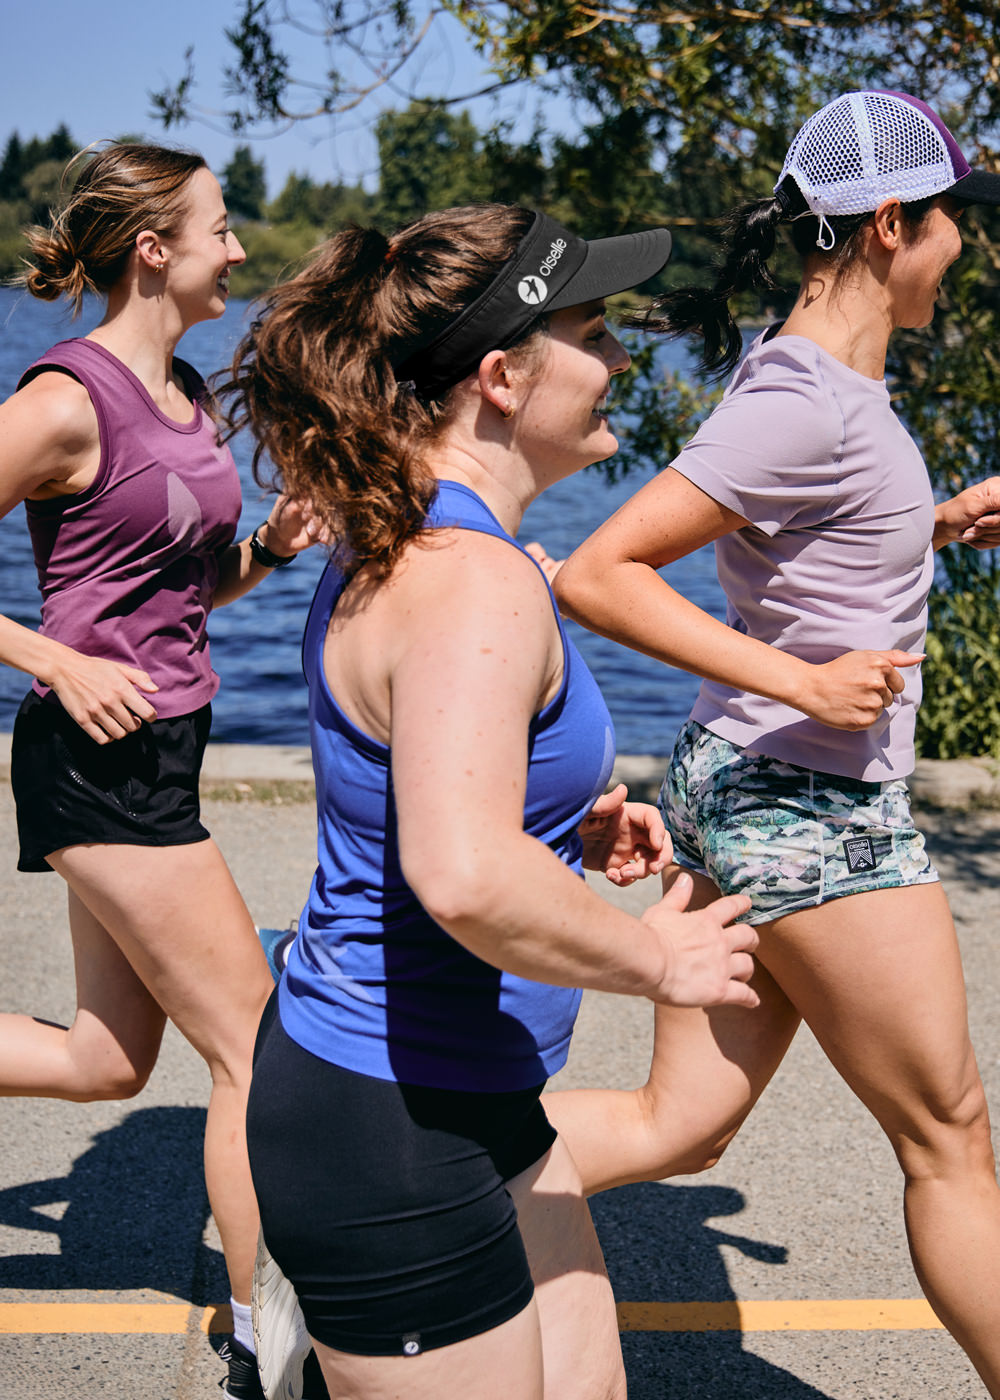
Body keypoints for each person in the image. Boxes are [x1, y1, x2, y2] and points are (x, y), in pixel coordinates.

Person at [223, 203, 761, 1400]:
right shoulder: (470, 580)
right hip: (393, 1130)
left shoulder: (418, 540)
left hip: (469, 1092)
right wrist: (652, 960)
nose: (624, 356)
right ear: (504, 374)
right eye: (595, 328)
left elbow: (427, 787)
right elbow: (460, 872)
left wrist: (559, 817)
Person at [547, 89, 1000, 1394]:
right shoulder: (804, 395)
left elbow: (806, 539)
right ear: (890, 225)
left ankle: (379, 1191)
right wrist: (800, 683)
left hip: (753, 783)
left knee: (674, 1125)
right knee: (951, 1139)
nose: (964, 248)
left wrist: (931, 524)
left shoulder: (816, 375)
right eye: (952, 221)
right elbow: (600, 573)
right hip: (809, 801)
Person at [0, 142, 321, 1399]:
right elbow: (85, 634)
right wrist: (54, 663)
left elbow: (170, 590)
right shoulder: (65, 398)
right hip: (94, 759)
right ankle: (262, 1334)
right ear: (153, 249)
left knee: (104, 1060)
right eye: (220, 229)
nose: (238, 249)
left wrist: (265, 553)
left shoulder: (182, 389)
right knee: (256, 1042)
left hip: (164, 747)